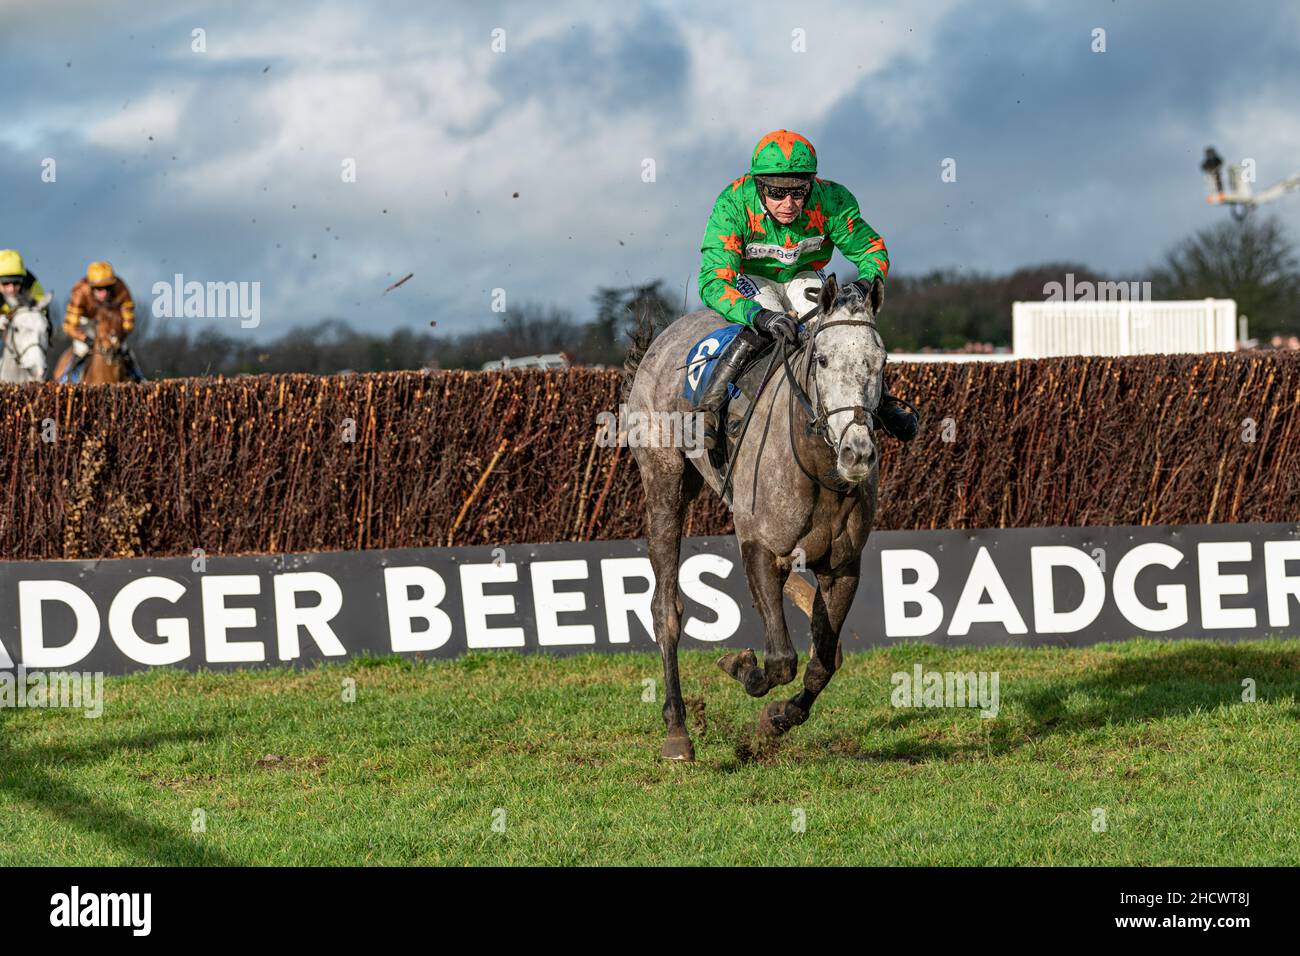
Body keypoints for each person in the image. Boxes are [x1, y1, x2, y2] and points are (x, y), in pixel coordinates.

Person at [694, 129, 917, 448]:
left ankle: (880, 402)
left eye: (799, 192)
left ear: (811, 184)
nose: (788, 203)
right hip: (751, 276)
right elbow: (714, 281)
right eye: (776, 192)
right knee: (772, 324)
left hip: (802, 273)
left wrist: (865, 282)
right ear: (758, 185)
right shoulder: (732, 204)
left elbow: (871, 250)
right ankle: (709, 410)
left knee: (838, 328)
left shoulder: (832, 201)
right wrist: (756, 315)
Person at [59, 260, 143, 382]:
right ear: (91, 286)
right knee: (81, 350)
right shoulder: (80, 292)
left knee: (125, 350)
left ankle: (138, 378)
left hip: (111, 324)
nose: (103, 292)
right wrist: (85, 339)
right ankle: (67, 379)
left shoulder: (121, 288)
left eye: (107, 288)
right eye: (98, 288)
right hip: (87, 323)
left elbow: (128, 319)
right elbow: (69, 326)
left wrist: (121, 335)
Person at [0, 248, 53, 336]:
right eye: (5, 283)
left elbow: (44, 314)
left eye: (16, 282)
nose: (11, 289)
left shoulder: (31, 284)